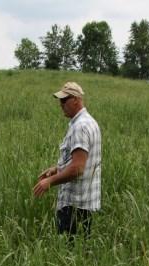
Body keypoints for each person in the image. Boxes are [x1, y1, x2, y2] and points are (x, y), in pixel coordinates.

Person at [33, 82, 101, 237]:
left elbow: (78, 168)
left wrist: (49, 182)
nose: (60, 105)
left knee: (69, 253)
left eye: (64, 100)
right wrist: (57, 169)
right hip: (84, 203)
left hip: (74, 205)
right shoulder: (88, 122)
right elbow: (82, 160)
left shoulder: (80, 127)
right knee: (80, 252)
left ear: (76, 99)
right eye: (60, 100)